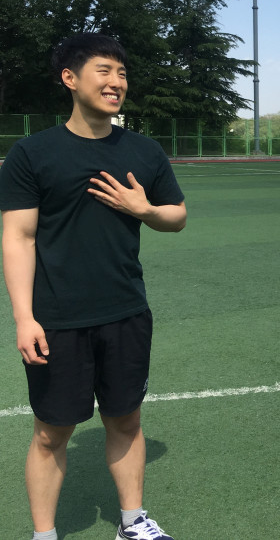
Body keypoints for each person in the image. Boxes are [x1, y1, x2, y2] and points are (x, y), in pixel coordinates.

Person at [0, 33, 187, 540]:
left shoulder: (143, 150)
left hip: (126, 312)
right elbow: (18, 237)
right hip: (57, 320)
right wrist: (24, 317)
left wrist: (144, 209)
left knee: (126, 420)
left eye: (122, 73)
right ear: (70, 78)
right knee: (50, 434)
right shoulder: (32, 154)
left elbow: (177, 215)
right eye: (104, 70)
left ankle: (133, 522)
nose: (116, 82)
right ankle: (44, 534)